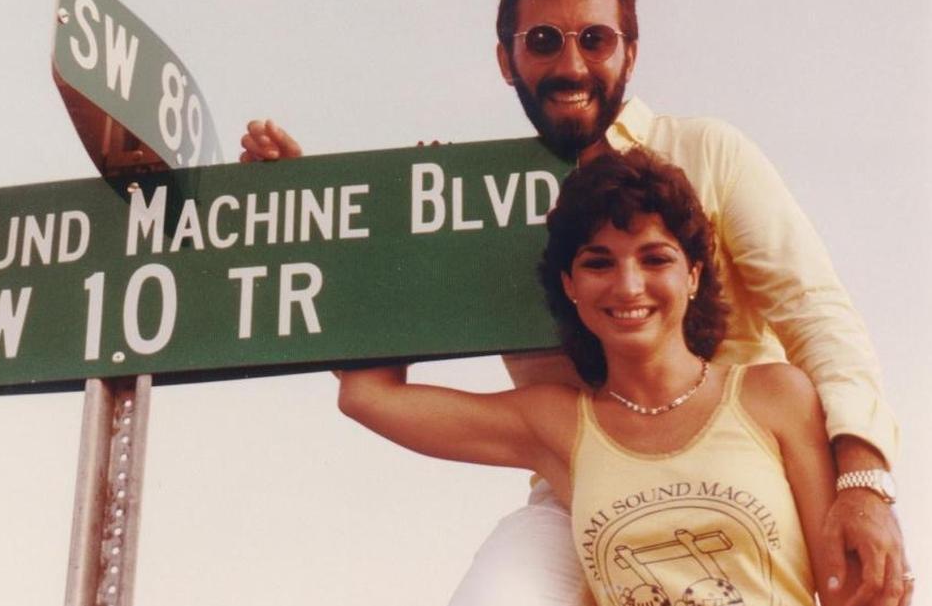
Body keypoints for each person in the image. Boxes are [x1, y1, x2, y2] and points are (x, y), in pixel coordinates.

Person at [239, 0, 910, 603]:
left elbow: (815, 312)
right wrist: (328, 228)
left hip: (743, 461)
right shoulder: (484, 206)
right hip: (580, 478)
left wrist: (863, 480)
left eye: (596, 39)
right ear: (507, 59)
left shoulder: (708, 153)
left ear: (631, 52)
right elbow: (375, 381)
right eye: (542, 42)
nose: (571, 66)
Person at [339, 149, 854, 605]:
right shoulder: (558, 425)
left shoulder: (775, 396)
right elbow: (368, 396)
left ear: (693, 273)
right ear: (570, 285)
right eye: (598, 263)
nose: (629, 286)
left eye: (655, 259)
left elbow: (851, 592)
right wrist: (404, 228)